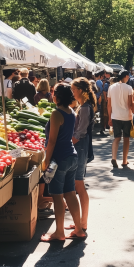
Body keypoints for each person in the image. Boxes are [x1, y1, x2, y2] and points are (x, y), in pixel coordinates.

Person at [40, 84, 85, 242]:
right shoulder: (71, 112)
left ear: (57, 97)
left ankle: (59, 232)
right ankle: (78, 229)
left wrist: (46, 160)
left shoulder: (56, 114)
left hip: (57, 160)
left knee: (57, 196)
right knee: (71, 193)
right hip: (72, 156)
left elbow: (52, 141)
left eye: (53, 94)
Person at [66, 78, 97, 233]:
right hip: (81, 147)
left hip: (81, 147)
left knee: (79, 185)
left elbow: (80, 132)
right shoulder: (82, 106)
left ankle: (82, 223)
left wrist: (67, 142)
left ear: (80, 90)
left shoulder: (85, 108)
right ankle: (80, 222)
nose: (72, 93)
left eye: (73, 90)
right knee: (78, 185)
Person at [107, 69, 133, 168]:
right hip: (126, 116)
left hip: (115, 116)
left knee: (117, 137)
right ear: (125, 76)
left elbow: (109, 105)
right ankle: (124, 160)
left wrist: (109, 117)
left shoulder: (111, 87)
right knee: (126, 138)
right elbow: (130, 104)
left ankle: (114, 157)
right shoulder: (129, 88)